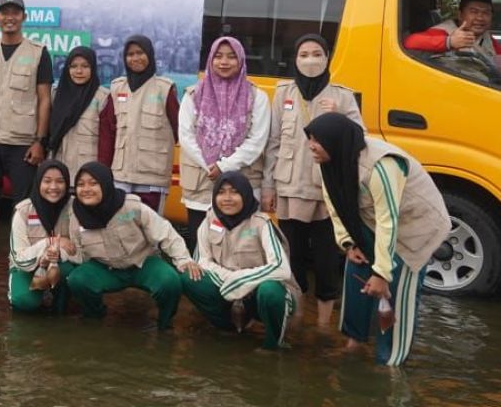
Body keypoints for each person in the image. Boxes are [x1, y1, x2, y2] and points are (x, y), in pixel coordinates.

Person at [305, 112, 451, 367]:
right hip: (369, 222)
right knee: (356, 272)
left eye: (317, 140)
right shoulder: (330, 160)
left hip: (414, 228)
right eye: (310, 139)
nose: (311, 146)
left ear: (334, 140)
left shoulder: (381, 165)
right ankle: (354, 342)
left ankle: (391, 361)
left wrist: (382, 273)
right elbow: (334, 204)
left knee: (396, 291)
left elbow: (389, 220)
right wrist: (349, 243)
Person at [262, 34, 364, 325]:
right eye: (303, 54)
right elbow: (272, 143)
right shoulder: (283, 93)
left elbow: (359, 140)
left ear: (327, 57)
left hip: (325, 194)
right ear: (294, 59)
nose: (310, 59)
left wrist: (339, 118)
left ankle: (322, 327)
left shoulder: (343, 95)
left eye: (316, 53)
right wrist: (268, 186)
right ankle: (293, 322)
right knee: (292, 260)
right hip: (289, 189)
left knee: (326, 263)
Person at [64, 162, 200, 329]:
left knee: (170, 282)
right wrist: (60, 252)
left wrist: (184, 259)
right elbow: (78, 252)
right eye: (80, 184)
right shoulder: (75, 214)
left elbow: (166, 232)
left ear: (106, 184)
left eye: (93, 183)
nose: (86, 189)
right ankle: (95, 317)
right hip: (106, 268)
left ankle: (165, 323)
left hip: (143, 262)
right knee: (78, 279)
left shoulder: (131, 206)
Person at [181, 172, 301, 351]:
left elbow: (281, 268)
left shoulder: (261, 223)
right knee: (190, 277)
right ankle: (229, 327)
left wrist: (242, 280)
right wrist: (231, 279)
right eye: (221, 192)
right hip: (228, 287)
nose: (227, 198)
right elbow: (202, 261)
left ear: (245, 194)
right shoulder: (209, 219)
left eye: (234, 192)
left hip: (263, 290)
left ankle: (273, 344)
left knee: (269, 291)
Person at [0, 0, 53, 260]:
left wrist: (40, 140)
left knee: (23, 203)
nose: (10, 17)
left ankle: (19, 255)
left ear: (24, 17)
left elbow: (44, 99)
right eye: (4, 12)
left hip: (22, 142)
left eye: (15, 12)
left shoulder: (38, 52)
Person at [178, 36, 270, 245]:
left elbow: (257, 140)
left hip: (242, 183)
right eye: (218, 56)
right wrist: (210, 166)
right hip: (202, 183)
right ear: (210, 60)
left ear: (241, 60)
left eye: (231, 57)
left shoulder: (256, 97)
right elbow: (186, 135)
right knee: (200, 244)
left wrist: (224, 167)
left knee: (241, 246)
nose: (224, 62)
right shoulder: (193, 95)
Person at [103, 35, 180, 213]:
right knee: (120, 227)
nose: (135, 58)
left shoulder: (164, 89)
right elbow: (108, 131)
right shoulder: (117, 88)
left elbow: (179, 131)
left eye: (140, 53)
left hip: (152, 178)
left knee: (151, 232)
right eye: (130, 54)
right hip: (120, 176)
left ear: (150, 55)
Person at [9, 160, 75, 314]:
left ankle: (61, 300)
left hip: (62, 264)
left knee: (76, 278)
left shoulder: (75, 208)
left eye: (60, 181)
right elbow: (18, 258)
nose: (53, 187)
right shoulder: (23, 211)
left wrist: (56, 255)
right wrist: (46, 245)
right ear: (38, 182)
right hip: (28, 267)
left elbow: (81, 249)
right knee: (24, 301)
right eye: (47, 181)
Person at [48, 46, 109, 181]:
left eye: (85, 66)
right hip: (56, 170)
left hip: (87, 173)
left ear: (93, 68)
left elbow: (107, 140)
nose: (79, 71)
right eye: (73, 66)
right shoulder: (55, 94)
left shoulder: (102, 97)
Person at [404, 0, 499, 62]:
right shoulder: (445, 31)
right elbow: (410, 41)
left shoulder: (487, 38)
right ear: (460, 15)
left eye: (486, 13)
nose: (480, 18)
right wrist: (449, 42)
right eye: (474, 12)